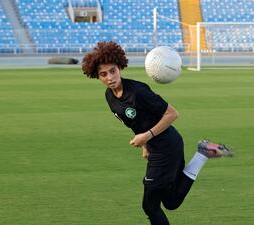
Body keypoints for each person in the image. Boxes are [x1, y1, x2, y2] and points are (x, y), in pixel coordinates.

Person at [81, 41, 233, 225]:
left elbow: (172, 113)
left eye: (112, 71)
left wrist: (146, 137)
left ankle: (203, 153)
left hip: (166, 148)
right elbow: (136, 123)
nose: (110, 77)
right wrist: (145, 145)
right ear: (97, 77)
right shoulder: (109, 96)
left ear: (120, 67)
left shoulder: (138, 92)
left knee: (150, 206)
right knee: (170, 201)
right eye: (103, 74)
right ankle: (203, 152)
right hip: (158, 146)